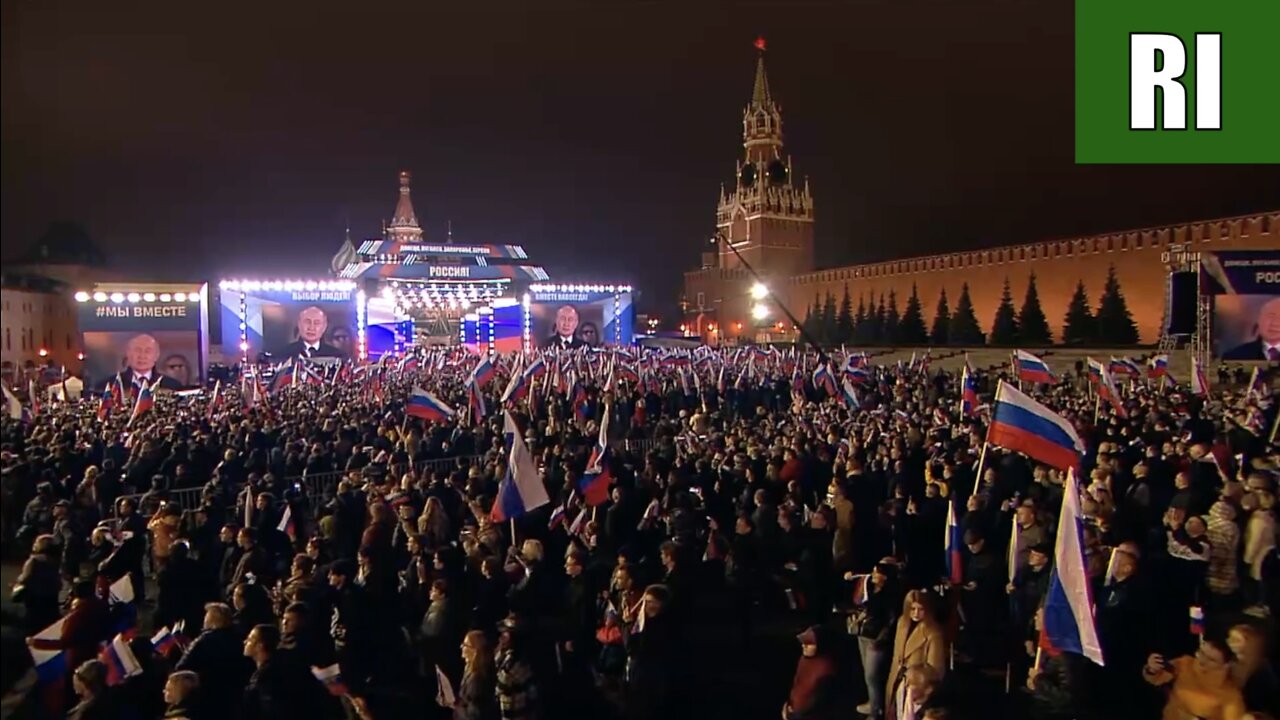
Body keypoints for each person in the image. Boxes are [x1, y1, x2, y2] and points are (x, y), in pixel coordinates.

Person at [1143, 638, 1247, 720]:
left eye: (1211, 660)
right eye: (1202, 653)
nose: (1202, 660)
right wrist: (1153, 668)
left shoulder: (1231, 696)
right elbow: (1157, 678)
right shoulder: (1186, 664)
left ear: (1225, 665)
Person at [886, 590, 947, 719]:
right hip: (897, 681)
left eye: (920, 609)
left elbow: (936, 669)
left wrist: (916, 676)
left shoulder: (933, 632)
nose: (916, 613)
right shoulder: (901, 623)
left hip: (917, 688)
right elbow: (896, 657)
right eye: (912, 608)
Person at [782, 625, 839, 720]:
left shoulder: (826, 669)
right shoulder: (804, 660)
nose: (804, 646)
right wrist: (788, 706)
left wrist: (796, 715)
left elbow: (819, 702)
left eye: (809, 643)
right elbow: (797, 684)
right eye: (803, 643)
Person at [454, 629, 498, 720]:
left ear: (475, 650)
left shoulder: (477, 679)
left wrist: (454, 705)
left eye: (465, 645)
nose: (461, 647)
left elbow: (474, 716)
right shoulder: (469, 668)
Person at [114, 333, 183, 391]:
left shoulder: (173, 386)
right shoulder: (111, 385)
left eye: (148, 351)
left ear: (156, 355)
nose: (142, 356)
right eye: (137, 350)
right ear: (128, 353)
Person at [276, 306, 343, 358]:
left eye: (316, 323)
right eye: (307, 322)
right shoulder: (283, 354)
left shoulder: (337, 356)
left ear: (324, 327)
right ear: (299, 324)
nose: (311, 327)